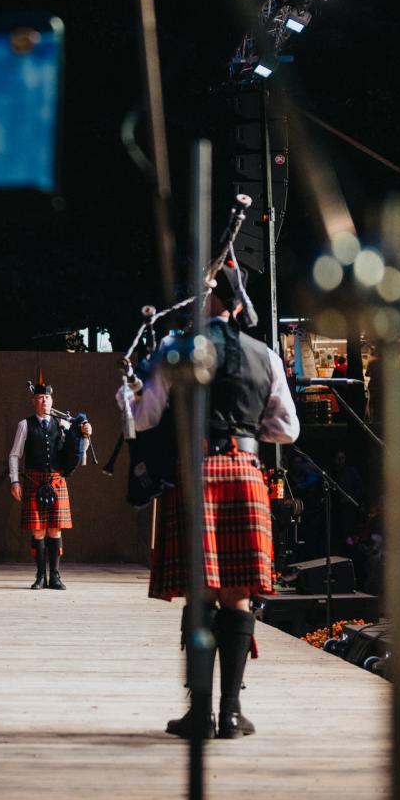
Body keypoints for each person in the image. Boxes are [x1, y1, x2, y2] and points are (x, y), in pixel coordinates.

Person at [122, 265, 299, 739]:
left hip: (196, 470)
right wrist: (245, 431)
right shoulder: (265, 355)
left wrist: (128, 396)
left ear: (208, 300)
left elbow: (145, 417)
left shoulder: (178, 349)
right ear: (238, 305)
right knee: (238, 593)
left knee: (202, 592)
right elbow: (287, 429)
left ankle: (200, 714)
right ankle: (233, 714)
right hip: (244, 472)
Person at [8, 384, 92, 590]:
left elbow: (79, 449)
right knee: (38, 530)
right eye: (40, 397)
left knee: (55, 530)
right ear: (33, 401)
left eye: (47, 397)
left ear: (52, 401)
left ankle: (55, 577)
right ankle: (40, 577)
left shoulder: (63, 424)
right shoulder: (24, 425)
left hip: (56, 480)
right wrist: (14, 481)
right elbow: (15, 455)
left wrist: (85, 435)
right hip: (34, 481)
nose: (44, 400)